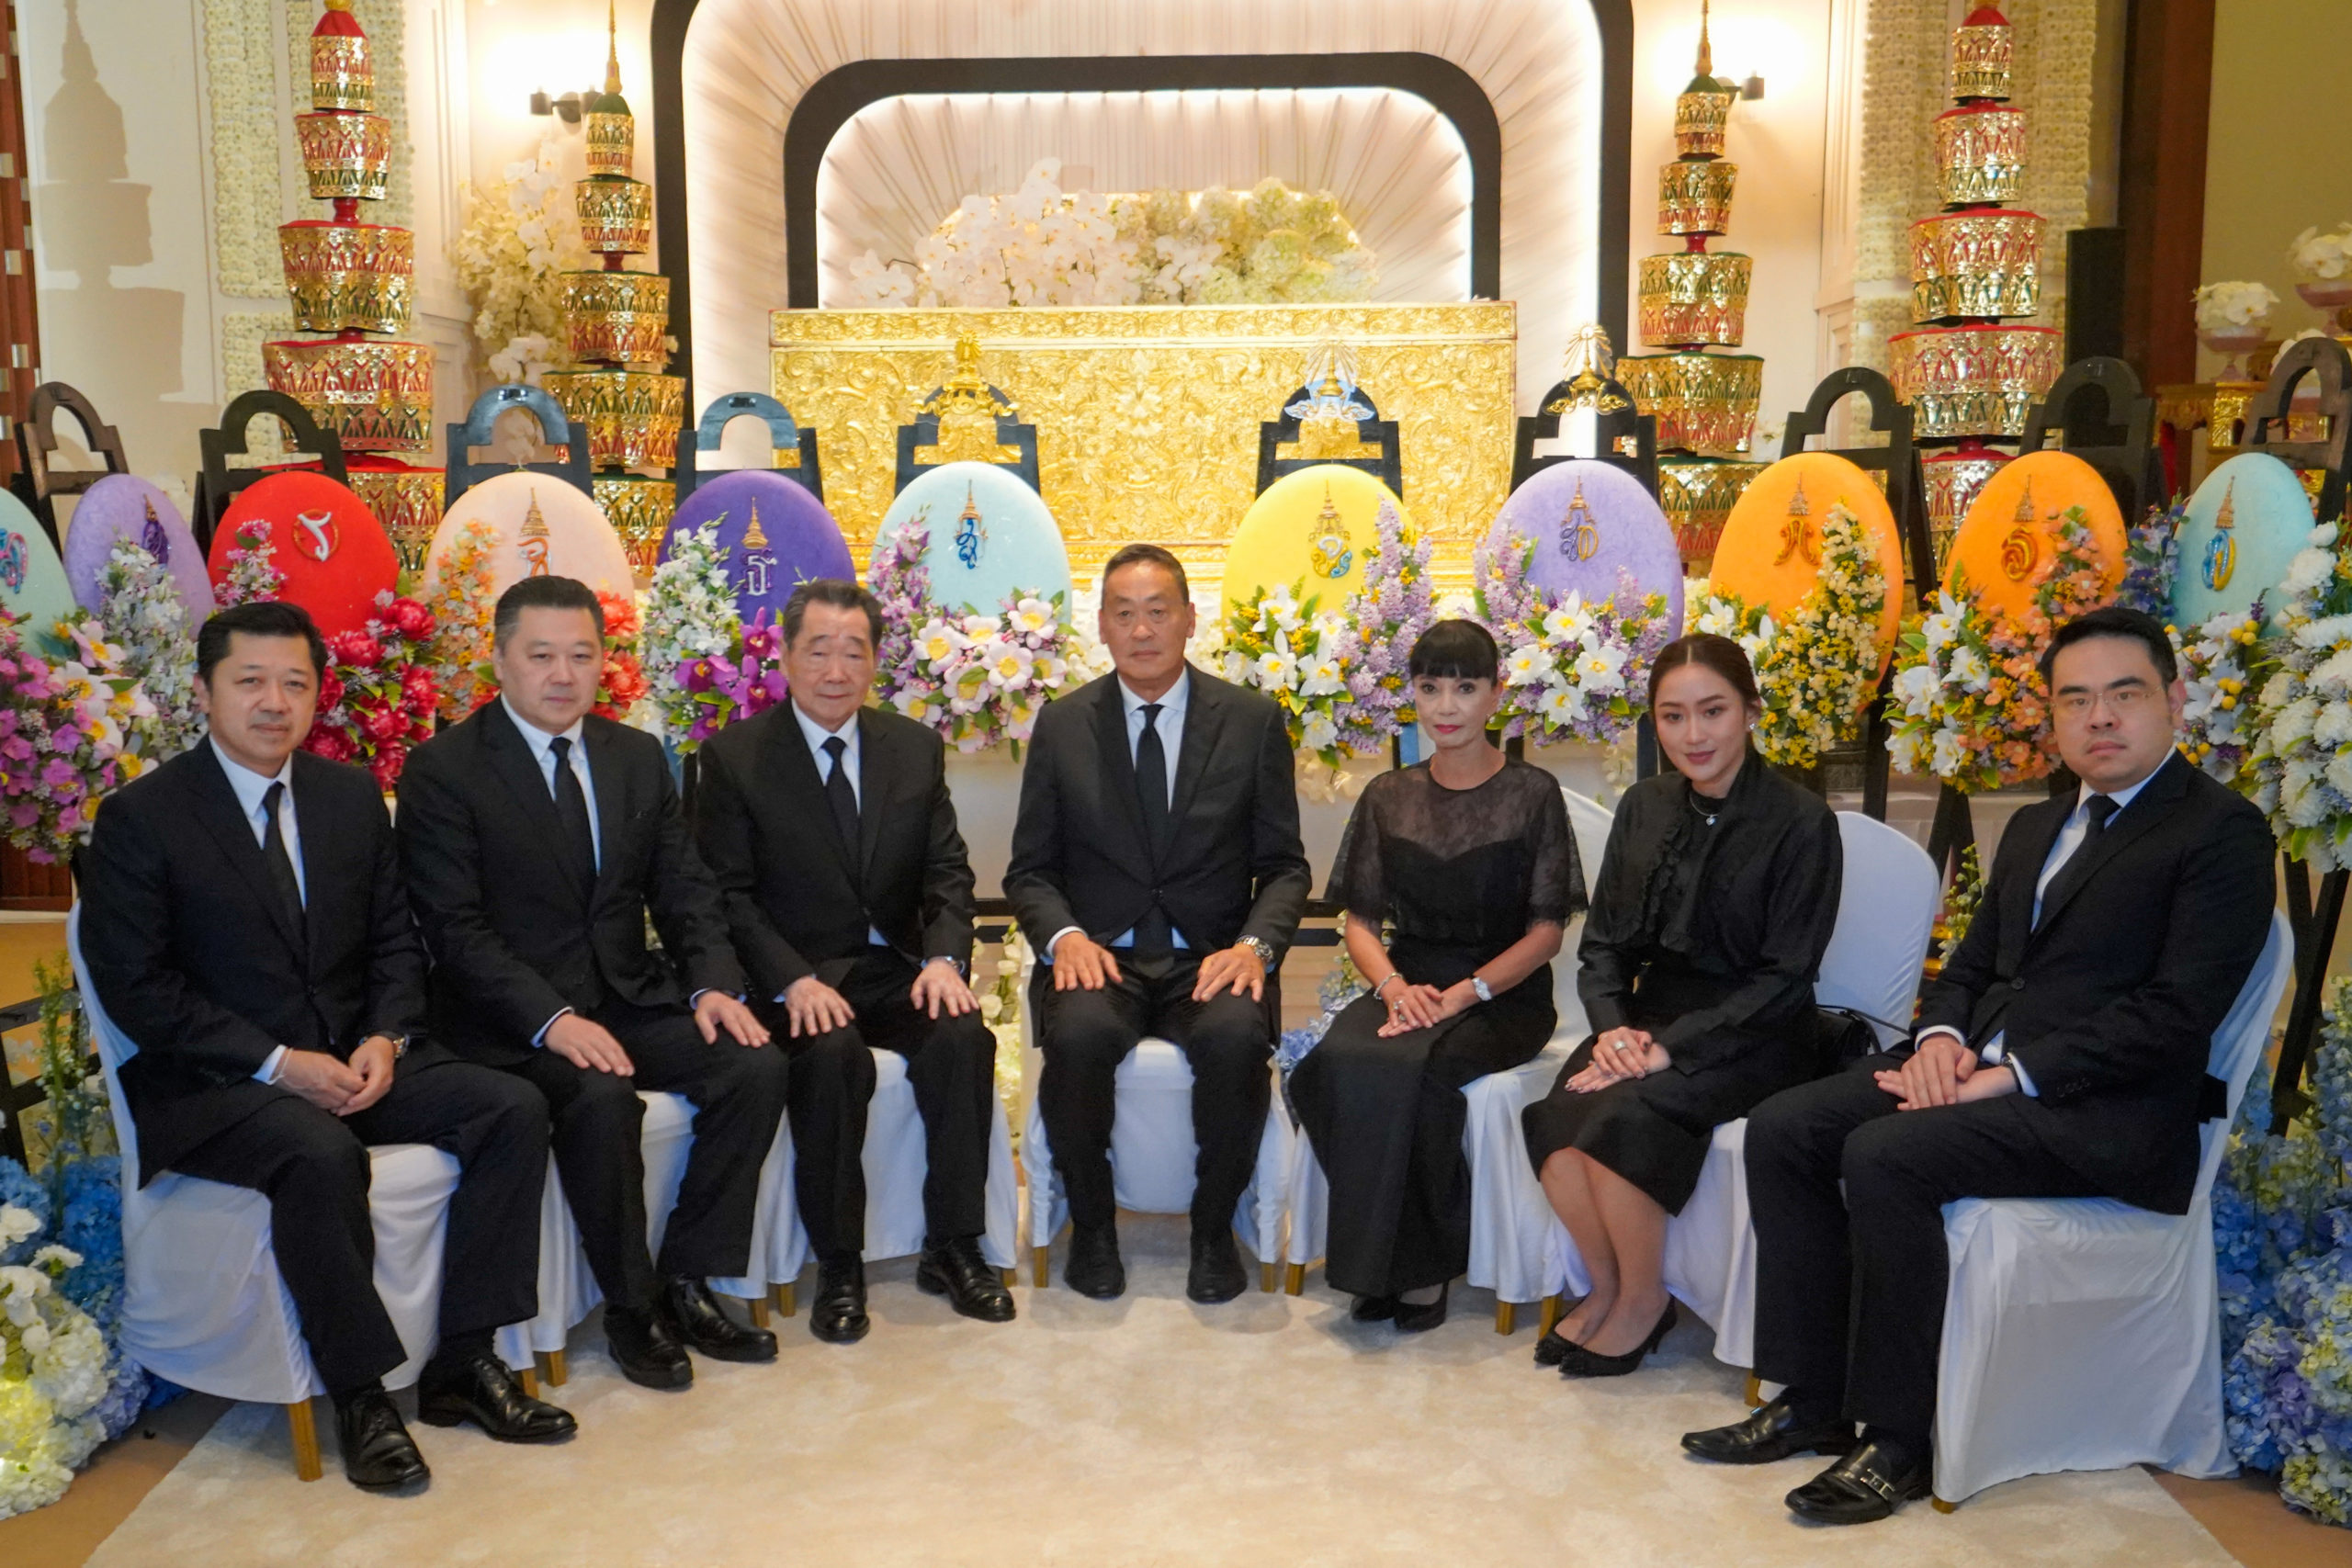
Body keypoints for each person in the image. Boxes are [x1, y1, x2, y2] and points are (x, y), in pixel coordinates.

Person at [1683, 605, 2276, 1525]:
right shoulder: (2038, 824)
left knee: (1885, 1154)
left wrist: (2006, 1073)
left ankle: (1898, 1438)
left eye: (2124, 694)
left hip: (2106, 1113)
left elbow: (2174, 1015)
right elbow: (1969, 967)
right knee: (1786, 1126)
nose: (2099, 717)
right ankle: (1814, 1396)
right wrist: (1939, 1044)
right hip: (1981, 1075)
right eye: (2074, 699)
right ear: (2052, 714)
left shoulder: (2221, 833)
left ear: (2174, 699)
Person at [79, 601, 572, 1491]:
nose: (274, 702)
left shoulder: (348, 798)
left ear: (317, 696)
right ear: (204, 692)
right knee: (318, 1152)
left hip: (351, 1060)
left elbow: (395, 942)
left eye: (295, 683)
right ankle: (361, 1394)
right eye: (251, 681)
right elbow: (140, 990)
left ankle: (464, 1360)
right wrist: (276, 1064)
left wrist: (387, 1036)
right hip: (217, 1082)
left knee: (511, 1106)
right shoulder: (141, 817)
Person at [398, 576, 787, 1391]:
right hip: (511, 1020)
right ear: (499, 658)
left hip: (625, 995)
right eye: (541, 656)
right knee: (601, 1096)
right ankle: (631, 1308)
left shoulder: (634, 757)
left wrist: (713, 985)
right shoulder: (445, 769)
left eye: (581, 656)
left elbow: (684, 890)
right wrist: (552, 1018)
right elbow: (454, 929)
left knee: (752, 1064)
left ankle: (687, 1278)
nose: (562, 675)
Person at [695, 579, 1013, 1344]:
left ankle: (954, 1244)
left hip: (893, 966)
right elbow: (727, 894)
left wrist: (944, 958)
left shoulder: (912, 747)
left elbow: (946, 871)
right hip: (795, 976)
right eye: (818, 651)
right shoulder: (735, 757)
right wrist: (790, 979)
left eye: (853, 652)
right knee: (832, 1054)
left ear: (875, 661)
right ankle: (840, 1260)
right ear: (784, 656)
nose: (836, 670)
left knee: (962, 1037)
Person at [1521, 634, 1843, 1378]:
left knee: (1625, 1117)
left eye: (1713, 711)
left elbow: (1787, 977)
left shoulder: (1801, 821)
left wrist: (1670, 1049)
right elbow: (1603, 946)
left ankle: (1644, 1299)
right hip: (1644, 1022)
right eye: (1673, 716)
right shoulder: (1644, 806)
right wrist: (1613, 1031)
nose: (1693, 734)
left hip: (1757, 1031)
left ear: (1751, 711)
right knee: (1558, 1118)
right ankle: (1609, 1286)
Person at [1007, 543, 1312, 1302]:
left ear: (1189, 619)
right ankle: (1093, 1228)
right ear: (1102, 626)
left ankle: (1213, 1231)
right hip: (1101, 957)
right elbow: (1030, 871)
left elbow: (1285, 867)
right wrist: (1065, 937)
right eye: (1124, 613)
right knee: (1077, 1038)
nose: (1142, 630)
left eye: (1157, 611)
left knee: (1235, 1039)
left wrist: (1254, 947)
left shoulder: (1250, 721)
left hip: (1209, 958)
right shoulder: (1063, 725)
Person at [1289, 620, 1581, 1331]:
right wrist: (1393, 988)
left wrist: (1464, 994)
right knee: (1337, 1060)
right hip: (1408, 982)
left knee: (1419, 1074)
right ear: (1413, 694)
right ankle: (1377, 1259)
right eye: (1430, 687)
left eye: (1465, 687)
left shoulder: (1533, 793)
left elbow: (1547, 931)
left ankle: (1423, 1265)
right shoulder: (1387, 795)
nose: (1446, 706)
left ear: (1496, 694)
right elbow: (1360, 922)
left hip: (1501, 995)